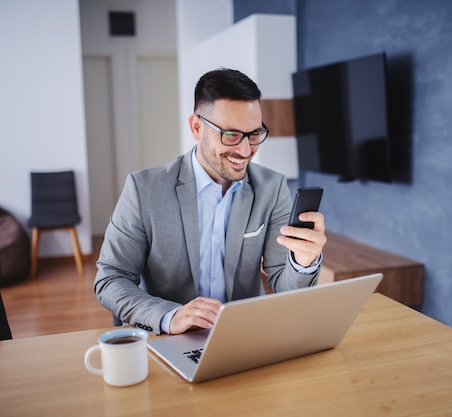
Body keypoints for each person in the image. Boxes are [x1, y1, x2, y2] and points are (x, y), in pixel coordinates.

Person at [94, 68, 327, 335]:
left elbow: (284, 288)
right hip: (170, 339)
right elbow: (111, 278)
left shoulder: (272, 188)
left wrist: (303, 262)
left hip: (243, 337)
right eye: (231, 135)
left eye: (254, 134)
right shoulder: (144, 189)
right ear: (196, 127)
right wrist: (170, 316)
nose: (245, 150)